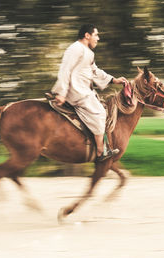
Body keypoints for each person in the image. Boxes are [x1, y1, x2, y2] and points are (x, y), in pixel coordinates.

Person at [51, 24, 127, 161]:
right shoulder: (75, 49)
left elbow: (95, 71)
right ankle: (101, 150)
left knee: (102, 109)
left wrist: (113, 80)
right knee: (100, 112)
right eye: (96, 35)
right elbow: (65, 69)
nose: (98, 38)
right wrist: (61, 93)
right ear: (87, 35)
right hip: (76, 91)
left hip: (84, 90)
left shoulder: (87, 52)